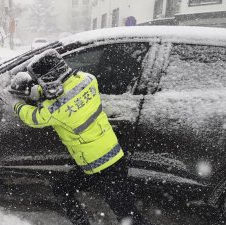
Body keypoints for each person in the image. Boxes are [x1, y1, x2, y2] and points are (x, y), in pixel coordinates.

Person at [10, 49, 153, 225]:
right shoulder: (88, 79)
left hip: (96, 165)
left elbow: (34, 117)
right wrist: (39, 91)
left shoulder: (54, 109)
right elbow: (64, 90)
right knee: (122, 206)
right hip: (113, 154)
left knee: (123, 212)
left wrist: (16, 105)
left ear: (48, 78)